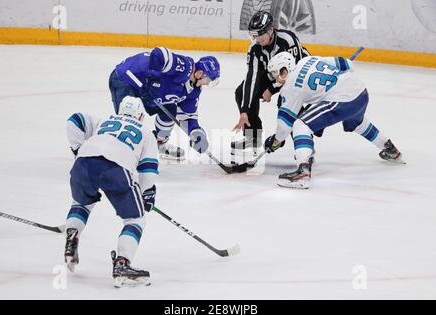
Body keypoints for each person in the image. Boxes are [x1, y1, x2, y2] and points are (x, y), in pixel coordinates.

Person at [264, 52, 405, 189]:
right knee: (358, 123)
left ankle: (303, 173)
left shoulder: (290, 88)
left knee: (300, 126)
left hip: (342, 99)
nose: (276, 80)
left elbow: (284, 128)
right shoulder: (307, 60)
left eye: (276, 75)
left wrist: (275, 141)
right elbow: (347, 64)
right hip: (361, 92)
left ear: (284, 70)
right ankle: (390, 149)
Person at [64, 96, 158, 287]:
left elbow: (75, 119)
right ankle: (122, 264)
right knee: (135, 219)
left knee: (82, 203)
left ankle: (72, 236)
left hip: (84, 162)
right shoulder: (146, 131)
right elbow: (147, 169)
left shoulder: (104, 120)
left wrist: (78, 149)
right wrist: (147, 193)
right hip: (116, 168)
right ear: (140, 116)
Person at [109, 47, 220, 160]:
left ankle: (160, 143)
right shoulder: (183, 66)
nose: (207, 83)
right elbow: (158, 53)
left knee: (170, 111)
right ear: (200, 73)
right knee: (130, 116)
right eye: (208, 80)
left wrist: (197, 134)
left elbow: (188, 117)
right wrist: (153, 80)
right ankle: (123, 150)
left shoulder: (194, 91)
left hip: (150, 92)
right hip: (127, 78)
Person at [232, 10, 310, 153]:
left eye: (260, 34)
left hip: (297, 75)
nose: (257, 39)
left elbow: (295, 73)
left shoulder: (288, 40)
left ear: (271, 30)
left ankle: (304, 146)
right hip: (273, 74)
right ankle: (252, 138)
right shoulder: (255, 48)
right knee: (241, 93)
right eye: (254, 35)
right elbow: (252, 79)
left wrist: (271, 89)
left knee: (288, 103)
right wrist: (244, 111)